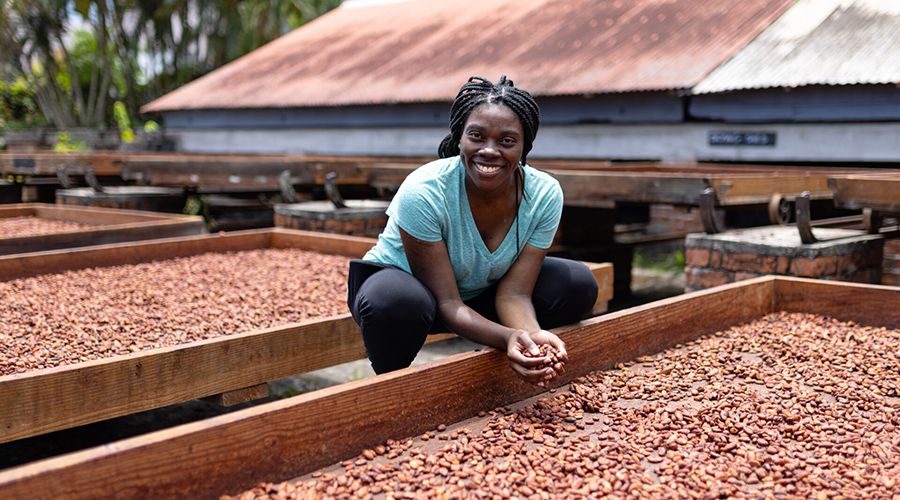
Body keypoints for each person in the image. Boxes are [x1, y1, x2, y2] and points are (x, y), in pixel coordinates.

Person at [347, 75, 598, 387]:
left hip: (478, 291)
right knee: (397, 301)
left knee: (577, 283)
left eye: (507, 141)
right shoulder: (424, 191)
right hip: (410, 294)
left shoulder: (543, 194)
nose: (489, 151)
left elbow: (515, 292)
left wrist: (529, 336)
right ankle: (391, 388)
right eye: (476, 136)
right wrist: (506, 336)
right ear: (459, 138)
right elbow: (448, 303)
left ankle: (515, 368)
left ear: (525, 146)